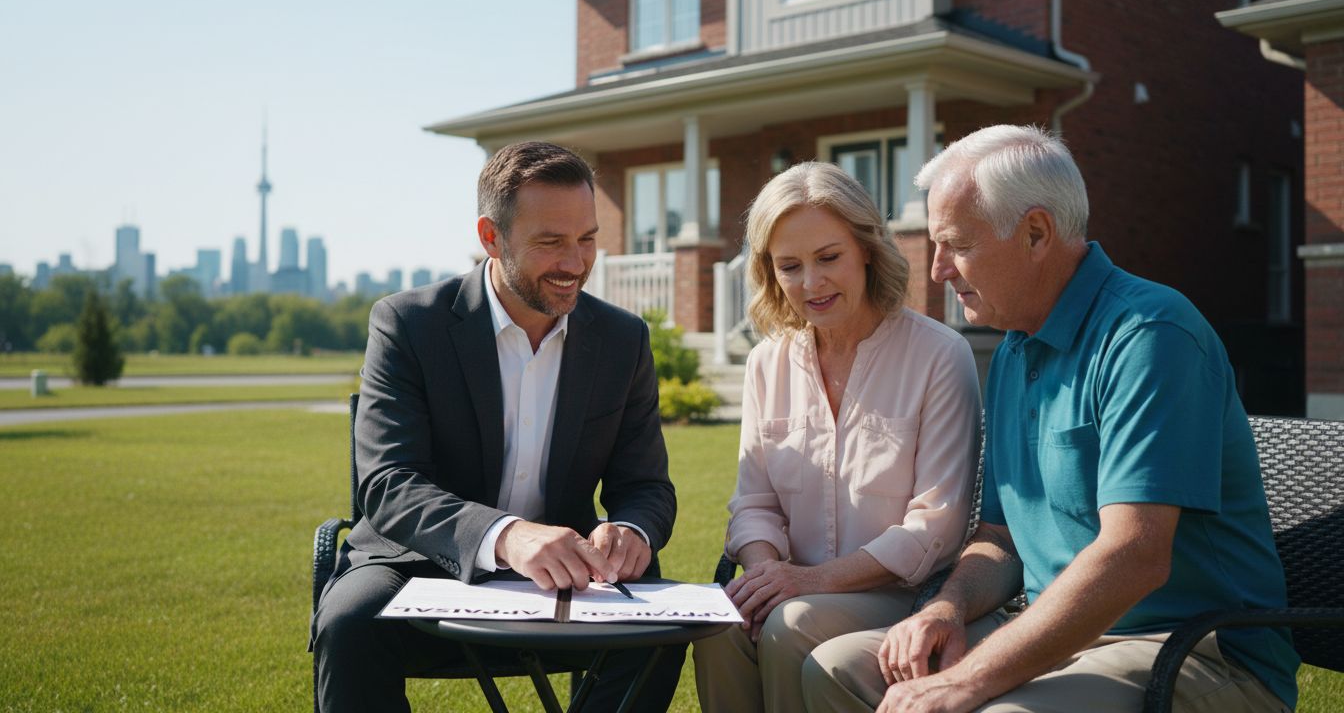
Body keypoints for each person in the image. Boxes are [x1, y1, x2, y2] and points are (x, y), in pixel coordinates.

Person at [802, 124, 1298, 713]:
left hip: (1191, 650)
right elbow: (1000, 538)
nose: (937, 271)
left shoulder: (1150, 336)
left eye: (956, 244)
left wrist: (971, 677)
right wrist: (947, 608)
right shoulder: (1014, 347)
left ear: (1035, 233)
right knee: (835, 669)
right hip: (1057, 635)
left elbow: (1135, 555)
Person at [311, 141, 682, 713]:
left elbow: (647, 486)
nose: (576, 263)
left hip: (569, 573)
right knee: (349, 620)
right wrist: (508, 536)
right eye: (551, 242)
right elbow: (388, 483)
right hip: (416, 560)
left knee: (659, 632)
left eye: (587, 239)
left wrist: (633, 529)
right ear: (491, 237)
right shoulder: (408, 324)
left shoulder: (622, 339)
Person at [693, 162, 982, 713]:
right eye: (789, 266)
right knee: (720, 622)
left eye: (829, 258)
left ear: (867, 249)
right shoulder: (764, 363)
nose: (811, 283)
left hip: (904, 594)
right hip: (793, 586)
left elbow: (936, 526)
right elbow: (753, 504)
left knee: (788, 622)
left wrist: (808, 582)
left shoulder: (940, 355)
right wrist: (764, 575)